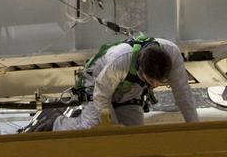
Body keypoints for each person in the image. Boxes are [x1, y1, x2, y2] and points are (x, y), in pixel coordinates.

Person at [53, 36, 199, 130]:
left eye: (160, 82)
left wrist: (194, 127)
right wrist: (114, 126)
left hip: (128, 89)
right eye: (152, 81)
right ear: (141, 68)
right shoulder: (120, 60)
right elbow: (101, 96)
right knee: (95, 127)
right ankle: (56, 123)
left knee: (134, 134)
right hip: (97, 83)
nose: (155, 85)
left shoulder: (173, 55)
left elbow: (183, 93)